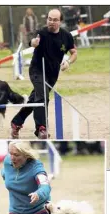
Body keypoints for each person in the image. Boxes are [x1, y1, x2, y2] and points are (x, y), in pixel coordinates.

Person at [11, 8, 77, 139]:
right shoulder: (41, 32)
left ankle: (16, 122)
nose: (51, 22)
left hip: (52, 74)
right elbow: (32, 42)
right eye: (49, 19)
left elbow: (74, 52)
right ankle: (41, 128)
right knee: (43, 96)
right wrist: (34, 43)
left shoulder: (66, 36)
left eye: (55, 20)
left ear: (60, 21)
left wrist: (68, 62)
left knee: (35, 99)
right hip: (37, 70)